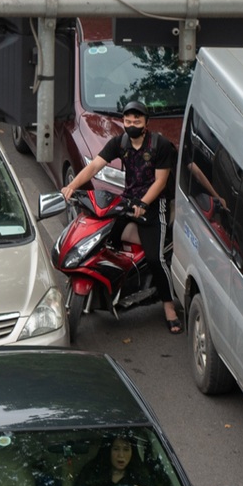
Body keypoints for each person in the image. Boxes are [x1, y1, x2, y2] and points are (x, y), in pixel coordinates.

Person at [59, 104, 180, 331]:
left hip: (155, 207)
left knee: (156, 259)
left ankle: (168, 305)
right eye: (128, 121)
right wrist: (72, 186)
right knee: (104, 241)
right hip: (127, 202)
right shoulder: (120, 143)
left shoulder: (159, 145)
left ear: (146, 123)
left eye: (137, 121)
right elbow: (95, 165)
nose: (132, 125)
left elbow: (161, 182)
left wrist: (144, 204)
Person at [81, 434, 166, 486]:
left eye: (126, 449)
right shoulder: (91, 473)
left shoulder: (141, 475)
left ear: (132, 452)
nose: (121, 455)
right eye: (116, 449)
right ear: (108, 451)